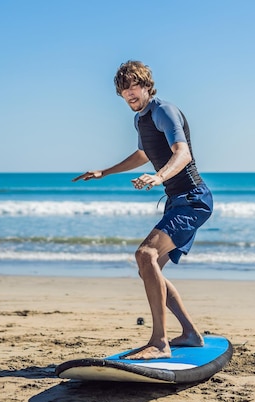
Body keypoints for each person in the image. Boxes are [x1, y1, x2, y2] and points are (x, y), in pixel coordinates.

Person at [73, 60, 213, 360]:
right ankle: (190, 333)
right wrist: (105, 172)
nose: (128, 93)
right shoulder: (140, 120)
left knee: (145, 255)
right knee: (149, 269)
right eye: (123, 89)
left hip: (193, 198)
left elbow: (182, 152)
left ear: (147, 86)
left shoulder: (164, 110)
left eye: (133, 86)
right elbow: (142, 154)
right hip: (178, 201)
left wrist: (159, 176)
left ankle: (159, 342)